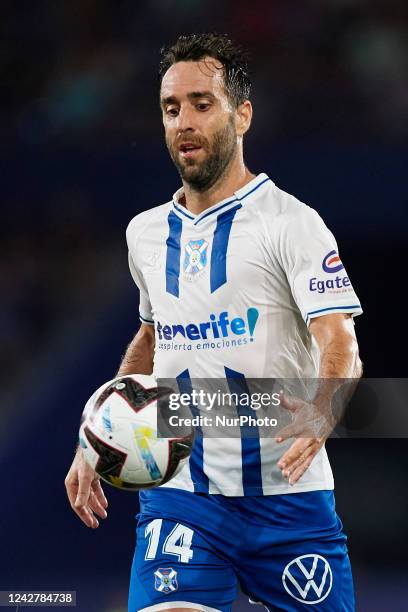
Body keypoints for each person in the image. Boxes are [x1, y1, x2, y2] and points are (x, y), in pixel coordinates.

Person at [65, 33, 363, 612]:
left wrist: (320, 417)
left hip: (289, 501)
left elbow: (341, 343)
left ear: (242, 115)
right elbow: (154, 334)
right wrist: (97, 434)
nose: (184, 122)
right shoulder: (144, 233)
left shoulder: (292, 224)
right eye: (171, 108)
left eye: (202, 104)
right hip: (184, 498)